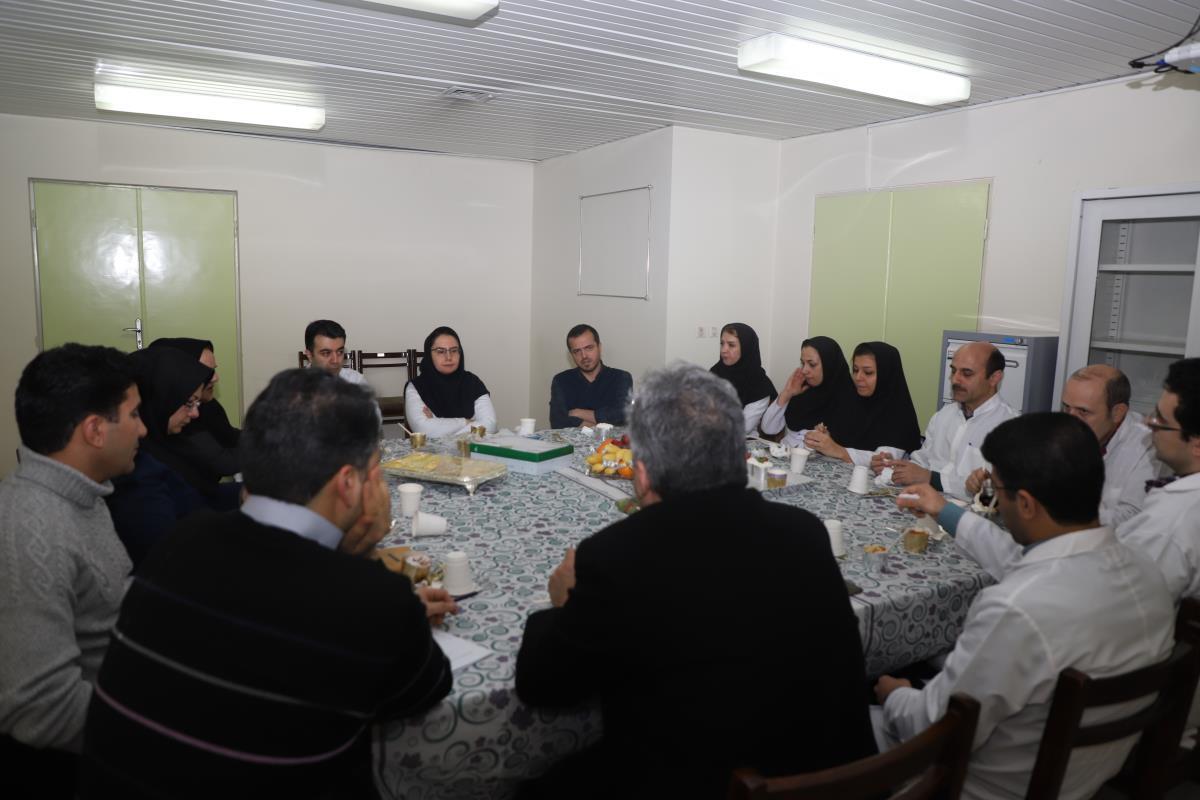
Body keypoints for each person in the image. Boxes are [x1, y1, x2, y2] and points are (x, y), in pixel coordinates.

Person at [81, 368, 457, 799]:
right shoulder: (371, 600)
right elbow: (429, 688)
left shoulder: (179, 542)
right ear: (349, 484)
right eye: (375, 471)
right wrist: (367, 567)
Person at [515, 363, 877, 799]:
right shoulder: (805, 533)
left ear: (641, 473)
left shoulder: (617, 556)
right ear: (740, 457)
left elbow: (542, 685)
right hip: (834, 782)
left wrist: (563, 602)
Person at [877, 413, 1174, 800]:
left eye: (998, 489)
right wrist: (945, 510)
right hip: (1083, 778)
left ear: (1027, 504)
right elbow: (1018, 559)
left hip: (972, 783)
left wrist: (893, 692)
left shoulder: (1016, 608)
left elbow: (930, 726)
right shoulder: (1147, 573)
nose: (995, 498)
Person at [0, 345, 141, 788]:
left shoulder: (83, 495)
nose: (143, 429)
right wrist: (160, 725)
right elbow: (41, 709)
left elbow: (107, 604)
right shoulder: (31, 529)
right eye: (135, 414)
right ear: (95, 430)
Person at [969, 364, 1158, 527]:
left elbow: (1132, 519)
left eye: (1083, 411)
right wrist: (998, 488)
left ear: (1117, 413)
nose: (1070, 420)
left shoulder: (1149, 446)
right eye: (1067, 407)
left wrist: (1052, 510)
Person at [105, 347, 213, 566]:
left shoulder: (165, 445)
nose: (195, 413)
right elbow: (168, 552)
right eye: (189, 402)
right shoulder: (134, 469)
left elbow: (204, 499)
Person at [876, 341, 1017, 500]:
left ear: (994, 378)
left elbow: (1001, 494)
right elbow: (922, 462)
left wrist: (931, 478)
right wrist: (894, 467)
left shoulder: (1011, 429)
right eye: (953, 370)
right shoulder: (944, 415)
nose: (955, 379)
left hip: (968, 513)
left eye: (967, 373)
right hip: (923, 503)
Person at [147, 337, 241, 502]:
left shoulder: (207, 406)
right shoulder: (176, 419)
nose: (215, 378)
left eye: (213, 370)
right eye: (205, 371)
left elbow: (231, 436)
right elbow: (224, 464)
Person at [804, 341, 922, 464]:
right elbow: (842, 442)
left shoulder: (900, 414)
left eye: (868, 372)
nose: (858, 377)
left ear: (886, 374)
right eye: (855, 370)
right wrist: (827, 438)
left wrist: (838, 450)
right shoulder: (850, 403)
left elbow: (884, 460)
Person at [760, 336, 858, 449]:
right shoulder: (802, 390)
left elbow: (846, 448)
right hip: (786, 455)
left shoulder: (849, 399)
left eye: (812, 364)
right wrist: (787, 393)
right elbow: (768, 429)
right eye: (803, 363)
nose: (804, 370)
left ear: (829, 364)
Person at [405, 326, 496, 436]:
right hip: (434, 449)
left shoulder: (473, 383)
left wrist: (437, 424)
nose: (448, 357)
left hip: (470, 447)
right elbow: (424, 430)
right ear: (429, 355)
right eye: (440, 351)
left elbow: (490, 426)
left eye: (454, 350)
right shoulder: (416, 387)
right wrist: (467, 422)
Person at [549, 324, 634, 428]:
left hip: (611, 440)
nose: (584, 356)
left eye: (589, 348)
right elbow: (557, 422)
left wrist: (578, 413)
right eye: (577, 351)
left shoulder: (621, 378)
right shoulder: (561, 380)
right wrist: (603, 424)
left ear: (599, 347)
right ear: (571, 354)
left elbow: (622, 416)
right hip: (575, 441)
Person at [709, 322, 776, 434]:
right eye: (722, 343)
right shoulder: (715, 372)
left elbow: (742, 427)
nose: (724, 350)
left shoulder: (758, 383)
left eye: (731, 345)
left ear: (746, 348)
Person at [303, 319, 366, 385]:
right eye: (326, 353)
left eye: (340, 352)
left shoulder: (355, 381)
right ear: (309, 355)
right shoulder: (297, 385)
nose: (335, 361)